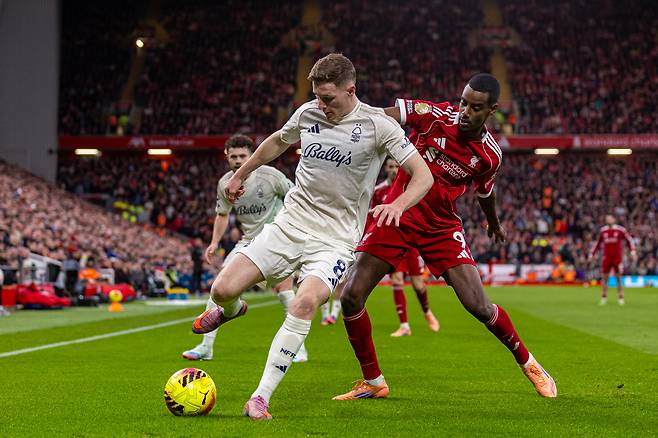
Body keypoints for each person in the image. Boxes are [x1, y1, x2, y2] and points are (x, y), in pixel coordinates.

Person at [190, 53, 433, 420]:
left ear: (351, 90)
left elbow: (423, 175)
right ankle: (231, 310)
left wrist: (398, 204)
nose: (322, 104)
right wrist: (242, 175)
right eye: (318, 96)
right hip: (290, 224)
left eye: (329, 98)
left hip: (334, 240)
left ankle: (260, 397)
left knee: (305, 302)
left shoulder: (379, 125)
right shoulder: (308, 113)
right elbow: (276, 141)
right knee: (221, 290)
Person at [333, 73, 557, 401]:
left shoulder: (489, 155)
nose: (465, 110)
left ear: (492, 110)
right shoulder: (435, 116)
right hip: (398, 213)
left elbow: (485, 192)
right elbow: (387, 115)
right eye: (463, 102)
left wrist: (493, 224)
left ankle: (529, 363)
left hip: (440, 227)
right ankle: (373, 381)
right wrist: (350, 119)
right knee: (352, 295)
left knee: (478, 306)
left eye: (475, 107)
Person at [182, 134, 308, 362]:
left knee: (284, 289)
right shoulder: (225, 183)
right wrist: (214, 242)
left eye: (243, 156)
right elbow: (222, 214)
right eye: (234, 156)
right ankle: (206, 346)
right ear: (227, 157)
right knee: (219, 288)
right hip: (248, 241)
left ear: (252, 155)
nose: (238, 160)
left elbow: (296, 198)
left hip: (276, 239)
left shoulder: (270, 176)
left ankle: (298, 349)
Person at [373, 158, 439, 336]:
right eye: (390, 167)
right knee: (397, 280)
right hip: (393, 241)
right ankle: (404, 326)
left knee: (418, 285)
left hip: (413, 242)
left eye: (396, 166)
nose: (394, 170)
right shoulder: (378, 191)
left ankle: (426, 311)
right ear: (385, 169)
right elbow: (372, 217)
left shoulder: (412, 187)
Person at [588, 214, 637, 305]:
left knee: (618, 278)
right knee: (604, 278)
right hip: (606, 258)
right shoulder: (603, 231)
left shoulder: (620, 230)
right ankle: (604, 297)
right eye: (607, 218)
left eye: (610, 218)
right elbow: (597, 244)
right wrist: (592, 254)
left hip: (617, 258)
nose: (608, 219)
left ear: (614, 219)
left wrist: (633, 252)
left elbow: (629, 240)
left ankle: (620, 297)